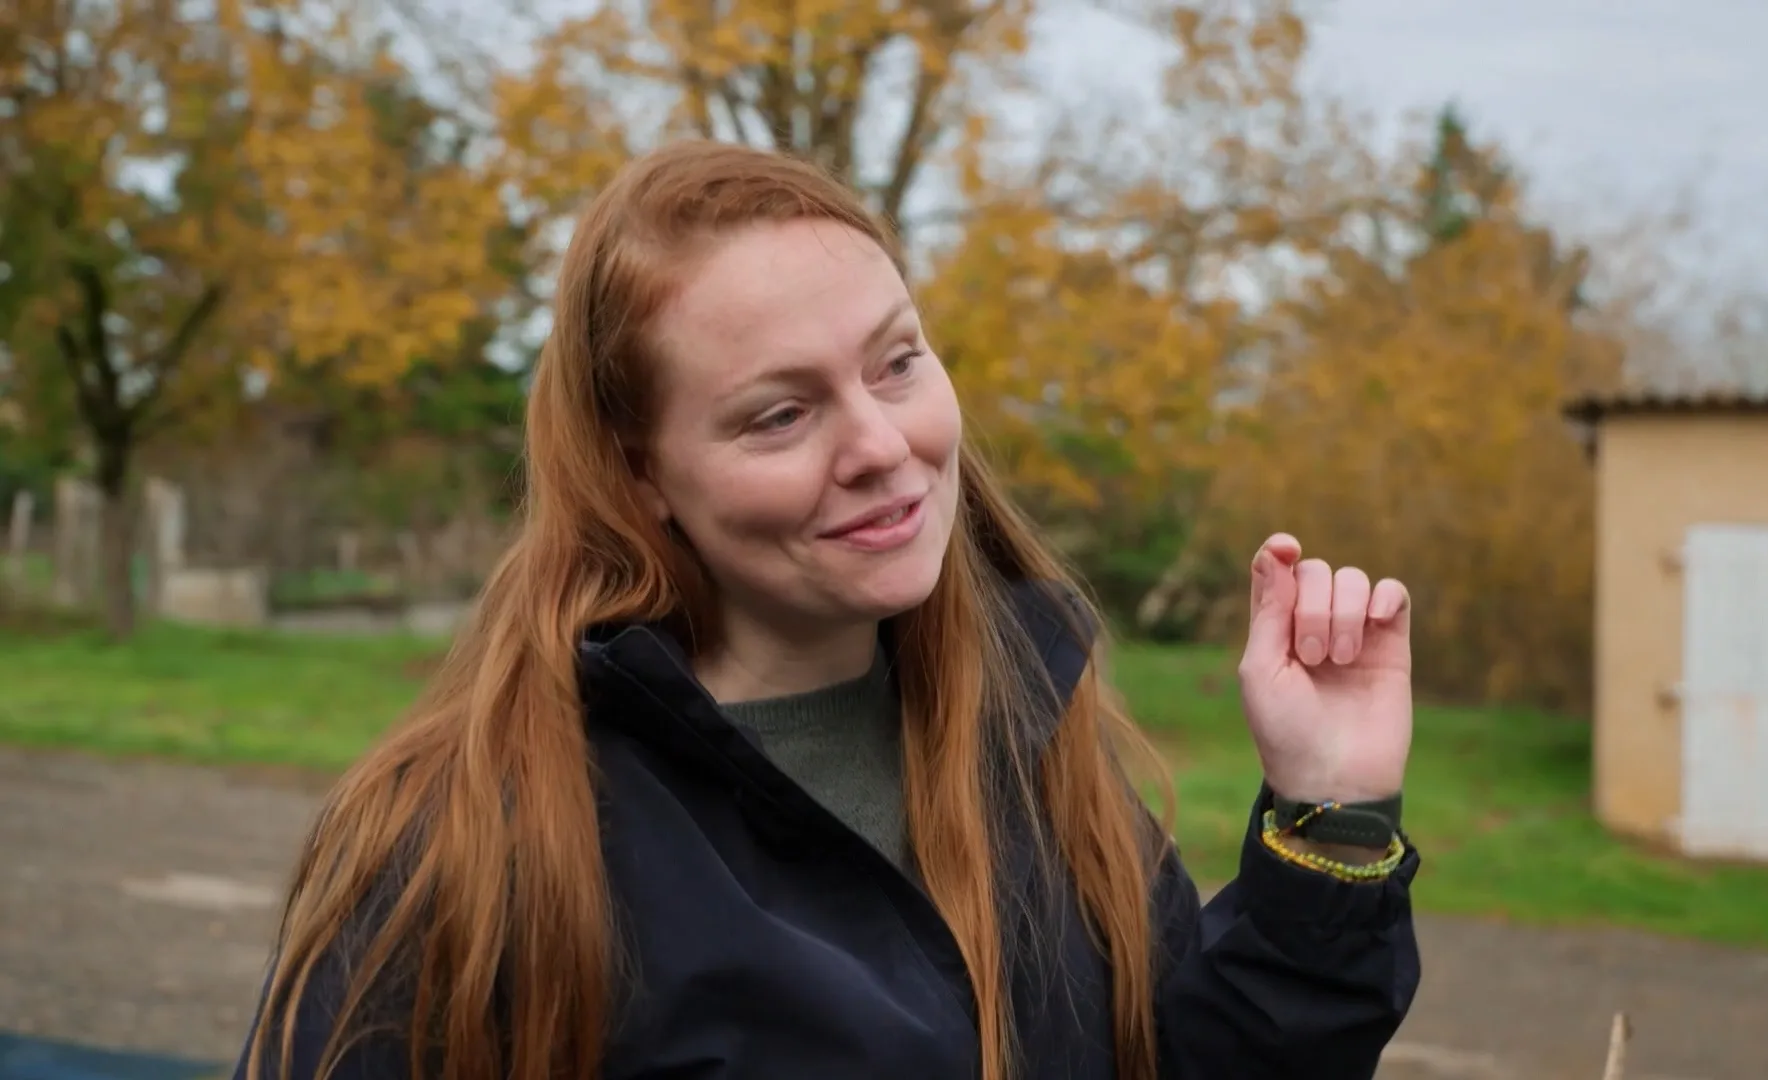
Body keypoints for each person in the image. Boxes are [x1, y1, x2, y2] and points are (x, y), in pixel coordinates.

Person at [233, 140, 1421, 1080]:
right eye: (778, 414)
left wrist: (1331, 824)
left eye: (897, 362)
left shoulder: (1029, 745)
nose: (882, 445)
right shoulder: (475, 845)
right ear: (640, 475)